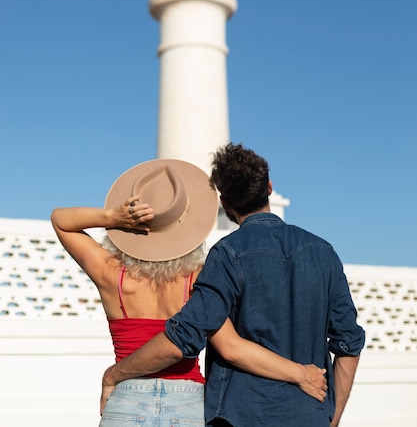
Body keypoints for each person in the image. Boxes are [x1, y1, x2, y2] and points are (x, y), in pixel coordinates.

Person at [101, 145, 365, 427]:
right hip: (308, 415)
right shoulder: (323, 252)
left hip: (241, 416)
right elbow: (349, 343)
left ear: (225, 203)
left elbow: (184, 339)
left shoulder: (227, 254)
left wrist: (115, 374)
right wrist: (331, 417)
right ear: (270, 188)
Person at [51, 157, 327, 427]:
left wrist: (112, 216)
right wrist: (300, 373)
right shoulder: (199, 279)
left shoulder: (111, 274)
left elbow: (60, 220)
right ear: (187, 225)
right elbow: (232, 349)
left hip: (126, 399)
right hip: (188, 404)